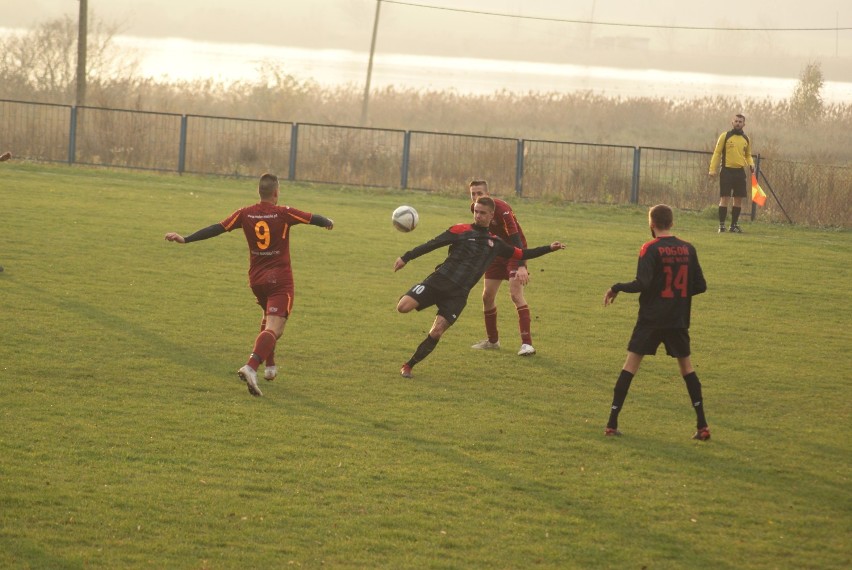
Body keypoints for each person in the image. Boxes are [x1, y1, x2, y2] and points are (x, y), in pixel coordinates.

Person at [164, 173, 334, 397]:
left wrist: (186, 238)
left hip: (256, 279)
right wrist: (328, 222)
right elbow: (314, 218)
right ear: (276, 192)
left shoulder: (245, 213)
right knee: (275, 328)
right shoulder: (284, 212)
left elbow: (217, 228)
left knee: (268, 319)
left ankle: (270, 367)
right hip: (279, 280)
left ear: (259, 192)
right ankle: (251, 366)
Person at [394, 196, 565, 379]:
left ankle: (408, 366)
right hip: (438, 281)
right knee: (402, 307)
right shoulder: (460, 230)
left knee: (436, 332)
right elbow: (432, 244)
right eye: (476, 211)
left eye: (483, 213)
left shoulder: (496, 243)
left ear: (491, 215)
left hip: (458, 295)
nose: (478, 216)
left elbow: (522, 253)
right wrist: (406, 257)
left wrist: (549, 248)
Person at [602, 204, 710, 440]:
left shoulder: (649, 249)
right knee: (687, 370)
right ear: (671, 223)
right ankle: (702, 425)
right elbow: (700, 285)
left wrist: (616, 287)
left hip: (651, 319)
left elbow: (642, 283)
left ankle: (611, 423)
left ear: (651, 224)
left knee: (630, 367)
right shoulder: (688, 249)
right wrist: (677, 294)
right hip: (677, 319)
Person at [467, 179, 536, 356]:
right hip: (496, 254)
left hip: (515, 251)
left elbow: (516, 237)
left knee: (515, 294)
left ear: (487, 194)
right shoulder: (476, 209)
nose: (476, 197)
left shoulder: (502, 209)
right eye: (473, 194)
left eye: (479, 193)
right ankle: (492, 341)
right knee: (487, 296)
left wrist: (521, 265)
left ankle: (527, 344)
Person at [708, 113, 754, 233]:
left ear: (744, 124)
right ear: (732, 122)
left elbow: (748, 155)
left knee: (738, 199)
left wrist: (751, 163)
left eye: (740, 121)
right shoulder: (725, 136)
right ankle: (721, 225)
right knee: (725, 198)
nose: (738, 123)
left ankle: (733, 225)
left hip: (740, 172)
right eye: (736, 121)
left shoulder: (746, 139)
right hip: (726, 171)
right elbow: (717, 153)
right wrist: (712, 169)